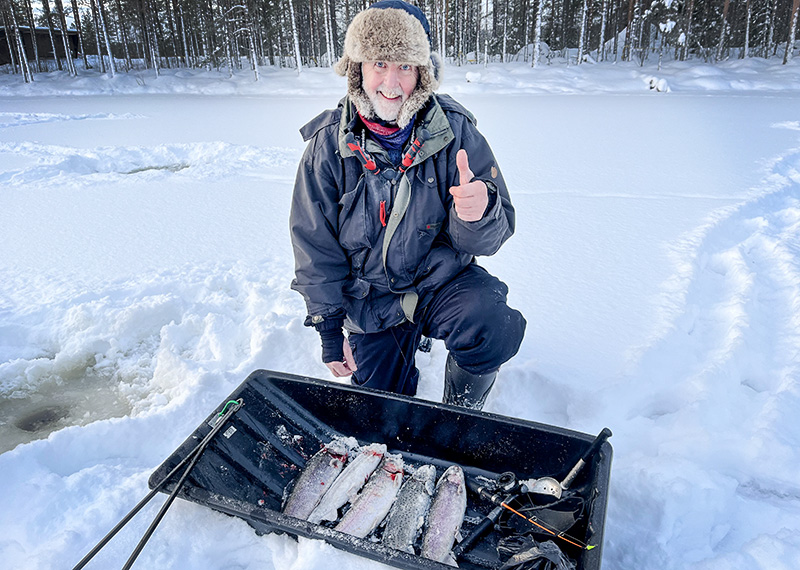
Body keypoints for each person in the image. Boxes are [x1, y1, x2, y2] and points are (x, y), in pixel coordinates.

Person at [290, 0, 525, 410]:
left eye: (405, 66)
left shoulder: (456, 131)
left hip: (440, 284)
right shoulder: (328, 144)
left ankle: (461, 413)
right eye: (379, 63)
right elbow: (315, 245)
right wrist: (330, 330)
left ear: (423, 73)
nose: (391, 82)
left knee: (493, 324)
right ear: (357, 68)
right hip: (372, 300)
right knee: (381, 411)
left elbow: (494, 233)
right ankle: (402, 347)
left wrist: (478, 213)